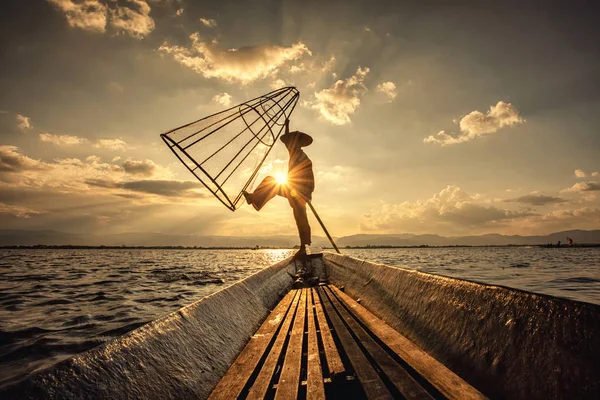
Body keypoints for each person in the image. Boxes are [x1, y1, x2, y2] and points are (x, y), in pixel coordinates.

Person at [243, 119, 314, 256]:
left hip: (301, 192)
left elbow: (309, 180)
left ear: (300, 143)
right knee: (271, 182)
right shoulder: (293, 151)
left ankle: (304, 247)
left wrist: (307, 192)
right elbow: (287, 140)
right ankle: (253, 198)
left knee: (300, 216)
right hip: (291, 188)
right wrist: (287, 126)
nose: (292, 143)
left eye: (295, 140)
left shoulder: (304, 158)